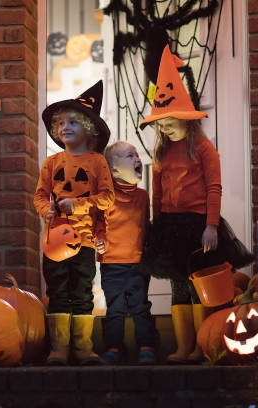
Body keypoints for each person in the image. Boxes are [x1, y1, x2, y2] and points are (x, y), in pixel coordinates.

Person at [139, 45, 254, 364]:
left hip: (198, 226)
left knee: (197, 286)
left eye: (169, 123)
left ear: (187, 119)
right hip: (169, 228)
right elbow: (157, 193)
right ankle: (182, 347)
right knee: (177, 286)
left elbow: (214, 187)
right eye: (159, 125)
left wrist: (212, 226)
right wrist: (155, 222)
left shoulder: (203, 149)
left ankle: (205, 345)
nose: (163, 130)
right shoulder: (162, 152)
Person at [34, 80, 114, 365]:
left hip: (84, 241)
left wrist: (78, 205)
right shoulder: (51, 163)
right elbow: (40, 196)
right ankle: (59, 349)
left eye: (73, 122)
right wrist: (46, 210)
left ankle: (83, 348)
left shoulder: (97, 163)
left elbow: (107, 198)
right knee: (57, 292)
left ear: (88, 129)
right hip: (54, 240)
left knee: (81, 292)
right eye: (61, 123)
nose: (64, 127)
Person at [94, 141, 156, 365]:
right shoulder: (106, 197)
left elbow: (144, 227)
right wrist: (99, 239)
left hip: (138, 262)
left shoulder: (142, 197)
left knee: (140, 306)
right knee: (116, 308)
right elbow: (98, 223)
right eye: (130, 156)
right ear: (113, 169)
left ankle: (146, 345)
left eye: (137, 154)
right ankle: (114, 347)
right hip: (112, 263)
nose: (138, 159)